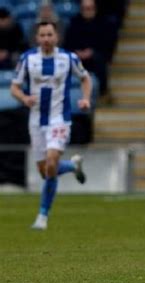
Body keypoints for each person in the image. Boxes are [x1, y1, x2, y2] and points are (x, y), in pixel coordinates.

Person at [10, 21, 92, 230]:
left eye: (50, 34)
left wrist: (85, 98)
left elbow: (85, 78)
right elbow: (14, 87)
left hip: (59, 119)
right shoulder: (28, 59)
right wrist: (24, 98)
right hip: (36, 120)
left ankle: (42, 216)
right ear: (37, 38)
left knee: (51, 162)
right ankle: (73, 166)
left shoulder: (68, 58)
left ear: (56, 37)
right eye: (42, 35)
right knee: (45, 171)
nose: (46, 38)